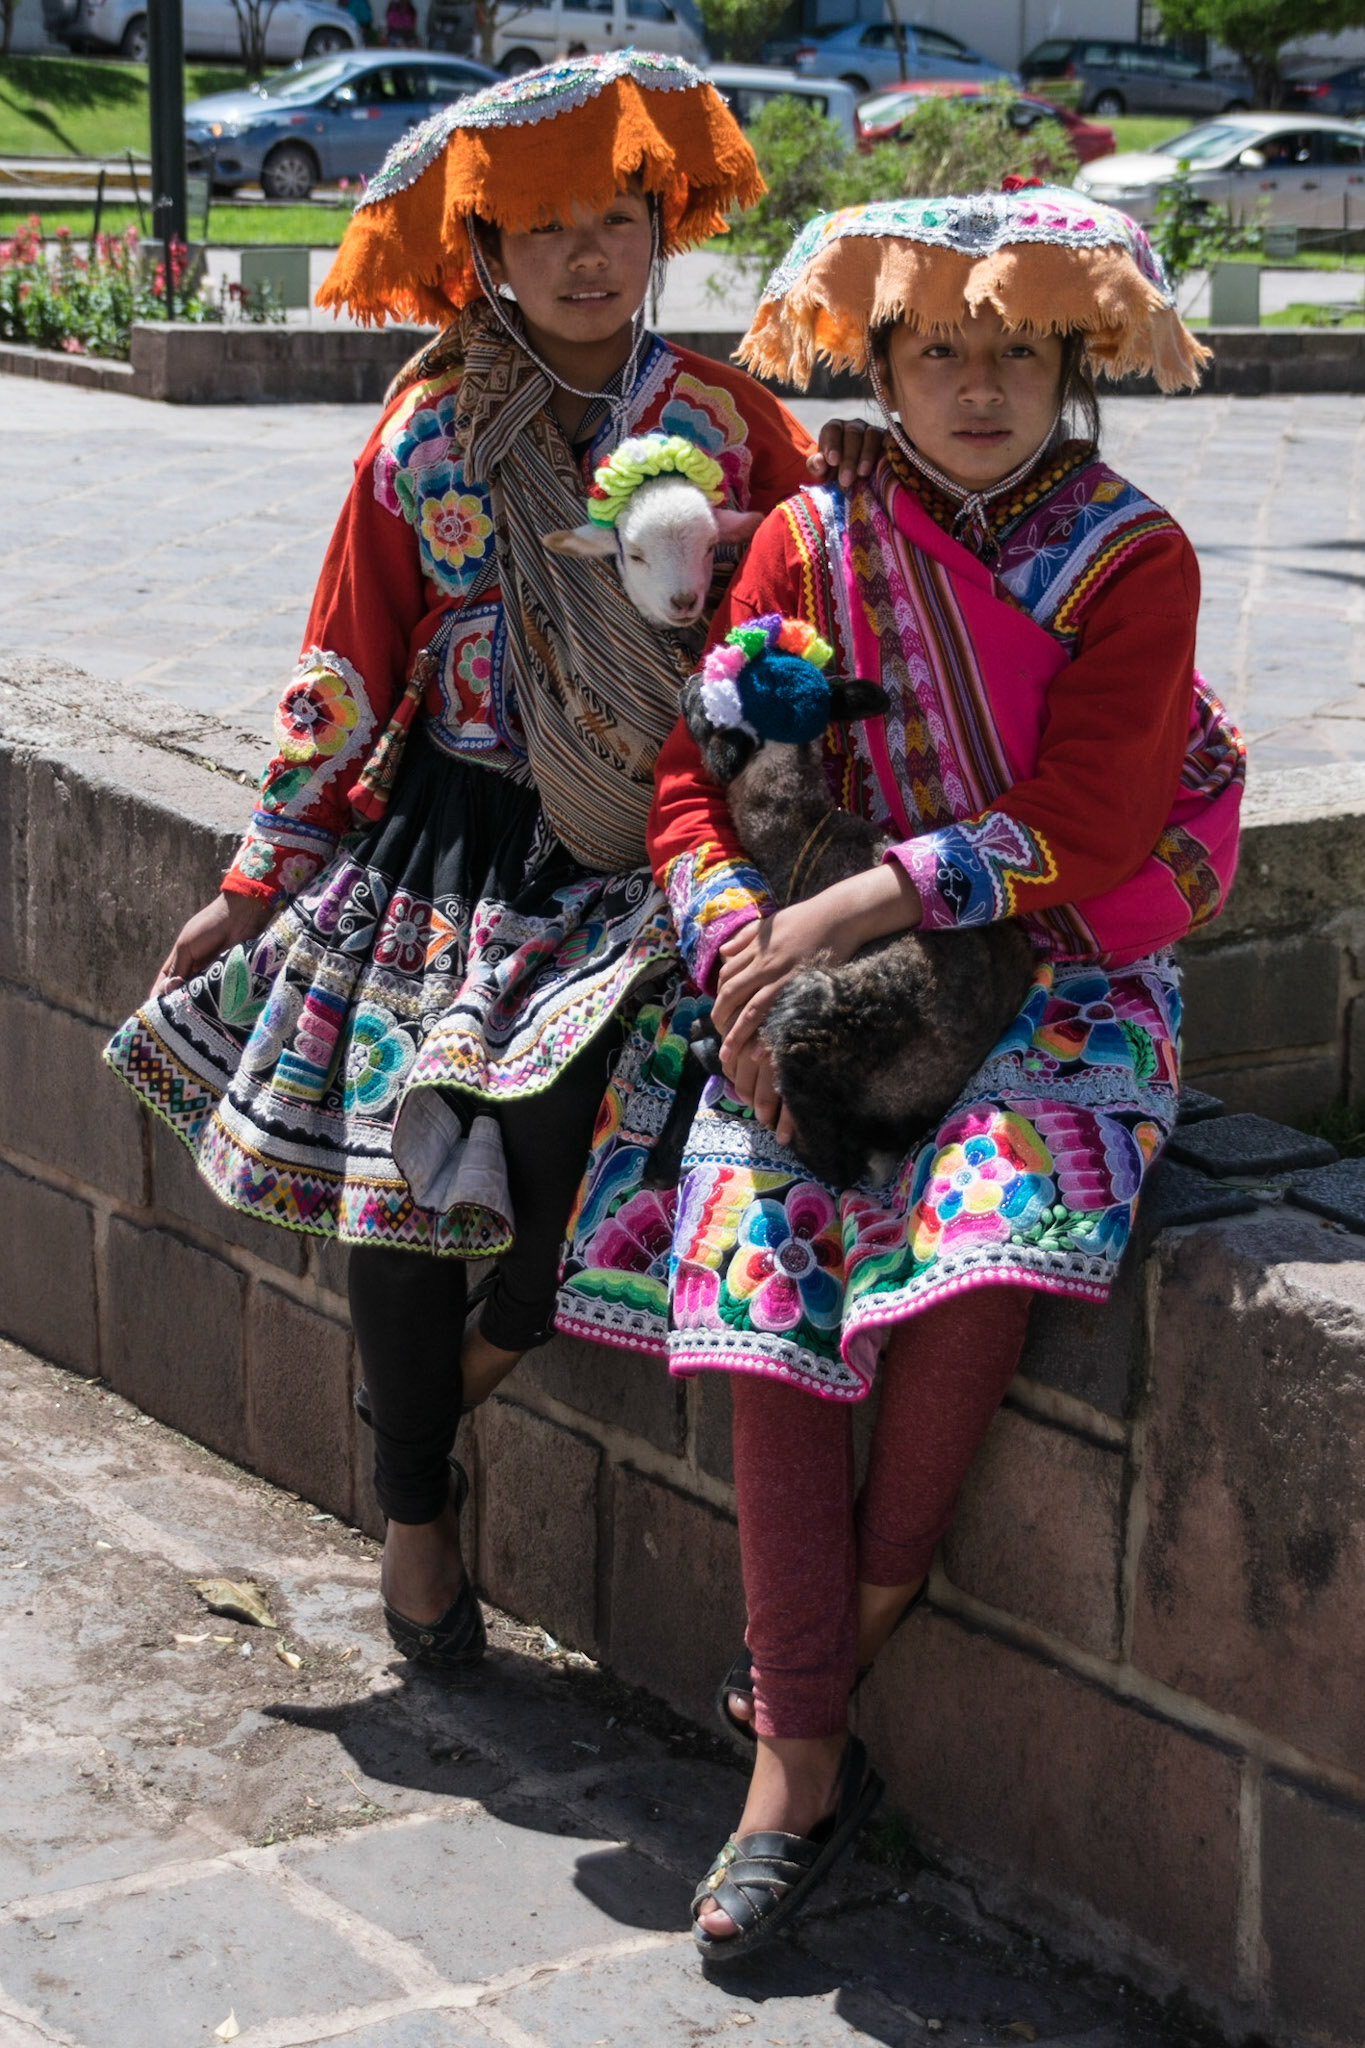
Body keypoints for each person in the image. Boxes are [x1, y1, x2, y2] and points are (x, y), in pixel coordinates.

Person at [103, 53, 879, 1677]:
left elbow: (837, 610)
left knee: (565, 1136)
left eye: (615, 216)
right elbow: (345, 668)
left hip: (653, 846)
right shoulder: (426, 434)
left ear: (660, 225)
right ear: (482, 252)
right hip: (446, 843)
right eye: (543, 229)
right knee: (403, 1163)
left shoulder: (730, 427)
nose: (585, 255)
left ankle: (481, 1353)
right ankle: (413, 1514)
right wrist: (256, 881)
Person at [558, 183, 1245, 1958]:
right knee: (767, 1232)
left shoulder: (1129, 559)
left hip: (1059, 969)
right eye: (936, 347)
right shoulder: (804, 541)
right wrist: (731, 951)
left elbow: (1096, 823)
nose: (977, 383)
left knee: (977, 1239)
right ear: (877, 360)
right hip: (814, 969)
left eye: (1017, 348)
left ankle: (838, 1634)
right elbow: (694, 774)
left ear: (1071, 361)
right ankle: (795, 1766)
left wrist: (864, 898)